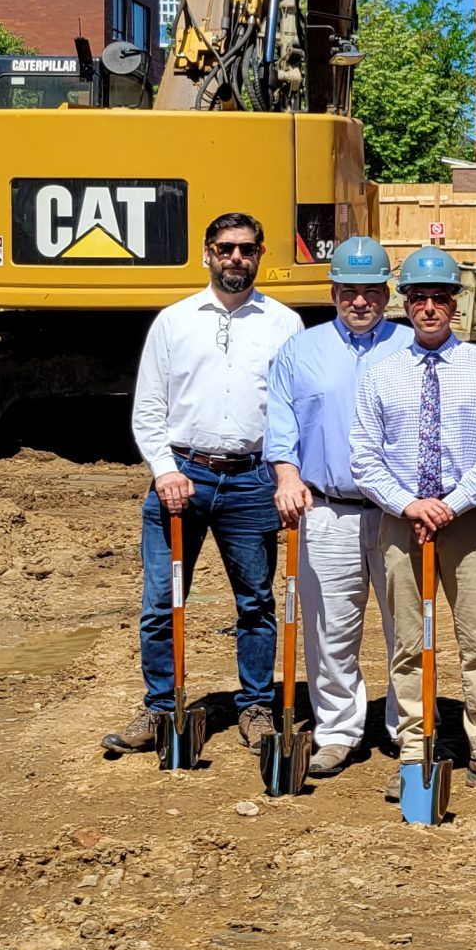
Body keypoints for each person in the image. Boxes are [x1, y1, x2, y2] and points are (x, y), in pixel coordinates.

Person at [106, 210, 304, 758]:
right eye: (225, 248)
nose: (235, 257)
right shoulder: (174, 321)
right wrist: (164, 470)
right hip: (183, 477)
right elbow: (149, 407)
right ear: (207, 253)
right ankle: (161, 707)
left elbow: (292, 409)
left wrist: (288, 474)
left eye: (246, 248)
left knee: (257, 602)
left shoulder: (284, 324)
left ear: (261, 254)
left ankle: (258, 706)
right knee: (161, 602)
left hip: (251, 479)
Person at [348, 247, 476, 799]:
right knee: (407, 643)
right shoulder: (381, 375)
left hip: (464, 520)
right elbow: (365, 457)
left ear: (455, 304)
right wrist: (409, 505)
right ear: (406, 304)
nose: (429, 308)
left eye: (440, 297)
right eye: (419, 298)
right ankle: (417, 752)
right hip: (402, 522)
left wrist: (452, 504)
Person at [264, 234, 417, 779]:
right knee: (331, 627)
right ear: (332, 292)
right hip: (326, 508)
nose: (360, 301)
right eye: (349, 291)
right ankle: (336, 730)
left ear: (386, 292)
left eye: (371, 290)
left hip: (399, 510)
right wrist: (285, 474)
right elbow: (280, 423)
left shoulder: (409, 345)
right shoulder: (300, 351)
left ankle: (410, 729)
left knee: (408, 626)